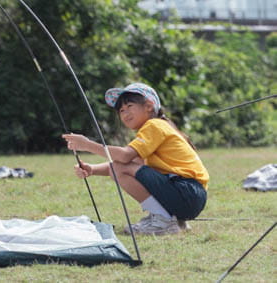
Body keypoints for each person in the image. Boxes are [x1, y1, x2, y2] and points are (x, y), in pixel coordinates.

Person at [62, 82, 209, 236]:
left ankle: (162, 221)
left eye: (130, 106)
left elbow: (124, 159)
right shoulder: (156, 129)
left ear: (149, 106)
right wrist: (92, 169)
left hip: (186, 192)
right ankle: (174, 220)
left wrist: (88, 145)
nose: (125, 113)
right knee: (122, 166)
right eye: (121, 110)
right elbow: (129, 163)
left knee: (120, 167)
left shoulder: (154, 126)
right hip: (190, 196)